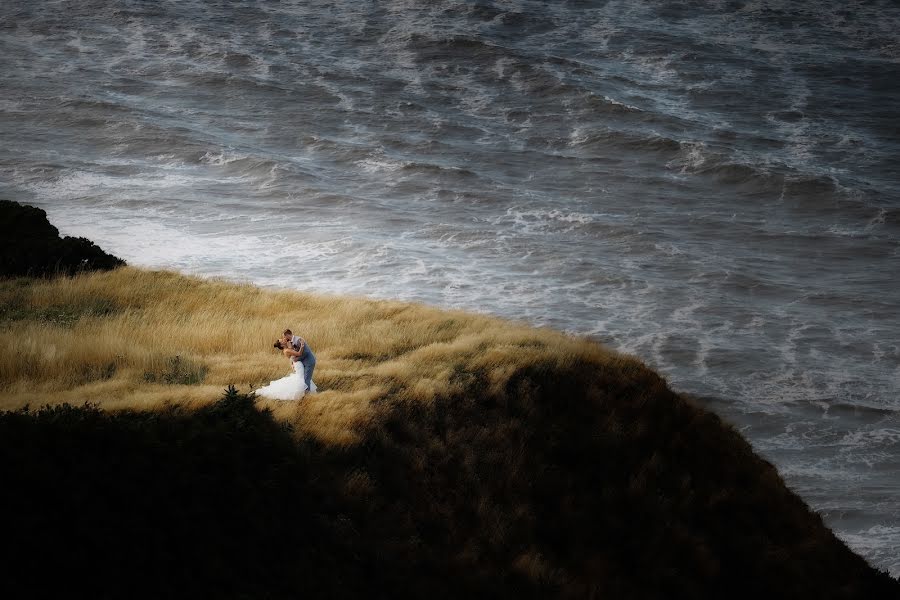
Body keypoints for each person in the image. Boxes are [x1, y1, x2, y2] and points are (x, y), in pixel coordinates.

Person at [282, 328, 316, 393]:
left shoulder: (298, 340)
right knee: (303, 378)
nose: (284, 338)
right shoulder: (291, 342)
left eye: (284, 336)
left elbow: (306, 352)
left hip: (309, 362)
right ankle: (305, 393)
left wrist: (297, 359)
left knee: (306, 379)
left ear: (287, 335)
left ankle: (307, 395)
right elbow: (293, 353)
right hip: (303, 362)